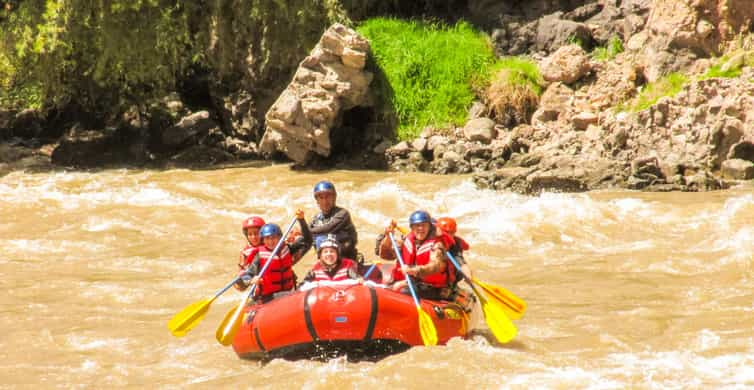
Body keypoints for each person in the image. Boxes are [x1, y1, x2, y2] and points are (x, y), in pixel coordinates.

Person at [241, 209, 312, 302]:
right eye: (267, 238)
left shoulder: (287, 249)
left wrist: (302, 220)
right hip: (269, 298)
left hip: (289, 293)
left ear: (279, 238)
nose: (271, 241)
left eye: (273, 237)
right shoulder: (259, 255)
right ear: (263, 240)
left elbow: (307, 240)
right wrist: (251, 280)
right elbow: (246, 275)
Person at [387, 210, 457, 301]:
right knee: (392, 287)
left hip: (433, 287)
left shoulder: (437, 245)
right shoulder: (407, 240)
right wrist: (388, 237)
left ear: (429, 227)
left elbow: (435, 266)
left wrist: (414, 270)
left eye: (424, 225)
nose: (420, 228)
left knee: (401, 290)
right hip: (415, 281)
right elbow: (386, 255)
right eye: (417, 225)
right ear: (412, 228)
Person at [309, 181, 359, 260]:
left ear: (334, 198)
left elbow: (329, 228)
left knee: (321, 237)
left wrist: (305, 231)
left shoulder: (343, 213)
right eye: (321, 198)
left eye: (328, 197)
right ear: (317, 201)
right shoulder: (315, 220)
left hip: (346, 258)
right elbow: (306, 237)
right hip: (326, 262)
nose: (325, 201)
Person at [436, 217, 473, 282]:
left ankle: (450, 287)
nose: (448, 236)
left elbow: (461, 262)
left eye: (451, 233)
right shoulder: (429, 239)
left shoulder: (455, 245)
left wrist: (468, 275)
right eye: (445, 233)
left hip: (449, 277)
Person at [235, 215, 266, 290]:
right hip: (259, 287)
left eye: (256, 233)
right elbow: (240, 288)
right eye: (250, 234)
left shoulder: (272, 245)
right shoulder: (245, 253)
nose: (253, 237)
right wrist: (248, 281)